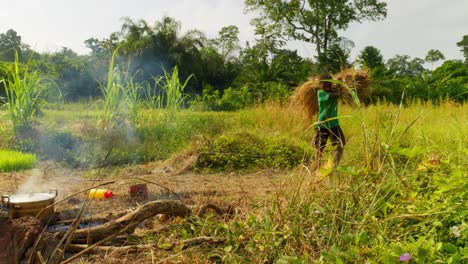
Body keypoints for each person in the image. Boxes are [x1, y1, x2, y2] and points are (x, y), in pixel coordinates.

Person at [311, 73, 346, 171]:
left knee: (340, 144)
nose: (326, 86)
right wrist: (339, 87)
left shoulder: (332, 90)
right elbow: (335, 95)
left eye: (328, 84)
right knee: (319, 149)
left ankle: (332, 167)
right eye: (324, 84)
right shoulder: (321, 93)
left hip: (334, 124)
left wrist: (340, 82)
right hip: (322, 125)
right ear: (321, 85)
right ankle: (316, 169)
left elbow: (337, 92)